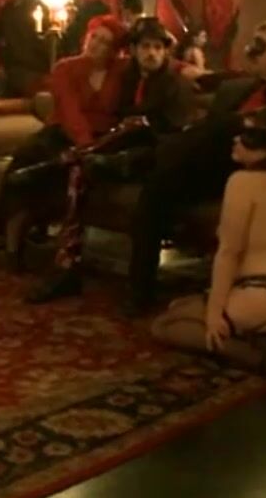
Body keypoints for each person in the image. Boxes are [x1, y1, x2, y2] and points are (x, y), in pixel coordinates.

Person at [124, 21, 266, 314]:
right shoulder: (241, 87)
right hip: (212, 163)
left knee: (222, 127)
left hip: (252, 164)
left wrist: (242, 125)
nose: (252, 50)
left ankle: (139, 159)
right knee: (158, 186)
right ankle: (140, 290)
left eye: (261, 44)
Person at [150, 104, 266, 375]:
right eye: (240, 133)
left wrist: (215, 315)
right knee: (179, 306)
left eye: (249, 136)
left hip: (264, 292)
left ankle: (254, 355)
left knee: (165, 326)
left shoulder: (243, 181)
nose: (236, 139)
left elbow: (228, 253)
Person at [26, 18, 196, 303]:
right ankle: (67, 267)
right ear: (133, 51)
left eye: (158, 47)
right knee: (79, 172)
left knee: (86, 161)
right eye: (145, 47)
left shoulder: (173, 83)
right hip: (120, 150)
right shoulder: (128, 77)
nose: (152, 53)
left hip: (155, 157)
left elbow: (172, 132)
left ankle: (64, 165)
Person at [0, 15, 127, 266]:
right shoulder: (65, 68)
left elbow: (166, 62)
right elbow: (70, 113)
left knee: (74, 173)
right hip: (62, 133)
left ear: (114, 50)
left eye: (105, 42)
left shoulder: (122, 70)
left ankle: (65, 251)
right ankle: (12, 246)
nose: (96, 44)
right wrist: (85, 145)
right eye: (94, 37)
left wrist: (192, 70)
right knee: (26, 165)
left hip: (103, 139)